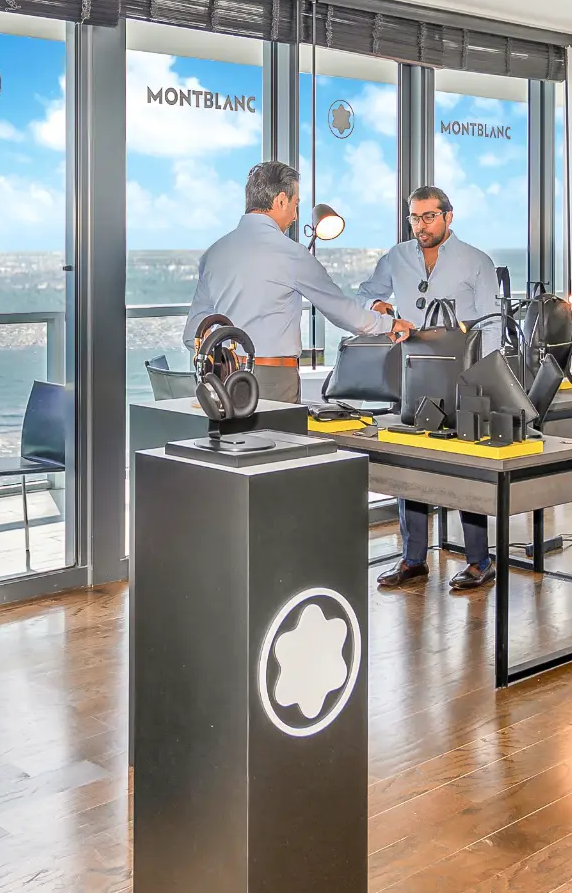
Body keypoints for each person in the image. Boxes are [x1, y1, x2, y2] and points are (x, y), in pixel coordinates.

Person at [366, 185, 504, 592]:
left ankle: (479, 560)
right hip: (414, 373)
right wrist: (378, 307)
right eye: (414, 217)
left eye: (428, 216)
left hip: (463, 374)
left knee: (464, 466)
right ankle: (413, 560)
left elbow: (492, 323)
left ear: (448, 216)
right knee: (411, 463)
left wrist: (483, 379)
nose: (420, 225)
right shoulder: (396, 257)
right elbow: (367, 293)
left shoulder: (477, 261)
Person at [186, 161, 414, 404]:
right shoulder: (291, 254)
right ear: (281, 200)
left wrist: (226, 358)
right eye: (295, 205)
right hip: (272, 379)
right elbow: (342, 312)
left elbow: (192, 333)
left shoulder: (214, 253)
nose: (295, 217)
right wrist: (390, 324)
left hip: (223, 379)